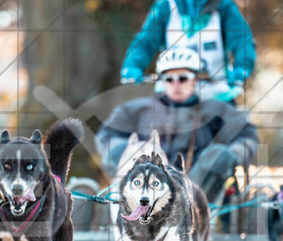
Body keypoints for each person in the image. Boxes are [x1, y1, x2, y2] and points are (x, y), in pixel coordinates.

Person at [97, 47, 258, 202]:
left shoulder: (216, 109)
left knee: (218, 153)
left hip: (196, 189)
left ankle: (185, 210)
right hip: (145, 190)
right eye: (169, 78)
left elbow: (247, 134)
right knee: (124, 151)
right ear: (161, 81)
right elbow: (107, 134)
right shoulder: (138, 109)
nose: (176, 83)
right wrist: (123, 150)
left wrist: (232, 155)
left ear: (195, 80)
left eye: (183, 78)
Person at [120, 0, 256, 103]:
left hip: (216, 95)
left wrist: (242, 68)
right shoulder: (165, 7)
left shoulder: (225, 7)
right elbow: (145, 42)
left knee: (237, 128)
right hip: (174, 95)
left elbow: (243, 41)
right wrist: (132, 66)